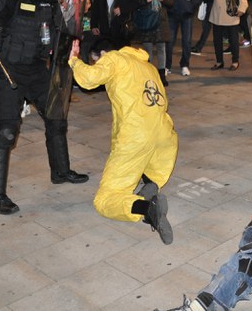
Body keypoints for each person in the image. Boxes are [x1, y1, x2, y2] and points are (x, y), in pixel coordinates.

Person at [0, 0, 89, 215]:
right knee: (6, 133)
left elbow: (59, 34)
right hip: (8, 71)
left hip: (35, 70)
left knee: (56, 117)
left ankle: (60, 171)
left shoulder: (50, 3)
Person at [68, 37, 178, 244]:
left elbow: (89, 78)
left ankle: (147, 209)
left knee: (105, 200)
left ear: (102, 54)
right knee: (152, 169)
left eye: (96, 60)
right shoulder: (149, 66)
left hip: (136, 135)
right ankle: (151, 187)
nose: (97, 64)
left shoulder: (113, 59)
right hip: (164, 132)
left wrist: (74, 60)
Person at [134, 0, 174, 86]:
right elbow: (134, 1)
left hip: (160, 20)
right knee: (148, 49)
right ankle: (150, 74)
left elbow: (171, 1)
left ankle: (162, 75)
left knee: (162, 48)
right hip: (146, 20)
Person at [165, 0, 204, 77]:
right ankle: (167, 66)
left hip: (187, 14)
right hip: (171, 14)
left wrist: (191, 4)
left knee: (186, 42)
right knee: (169, 41)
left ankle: (184, 65)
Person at [206, 0, 248, 71]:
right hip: (217, 14)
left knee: (233, 40)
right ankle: (219, 61)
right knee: (217, 40)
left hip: (230, 13)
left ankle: (235, 61)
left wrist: (242, 8)